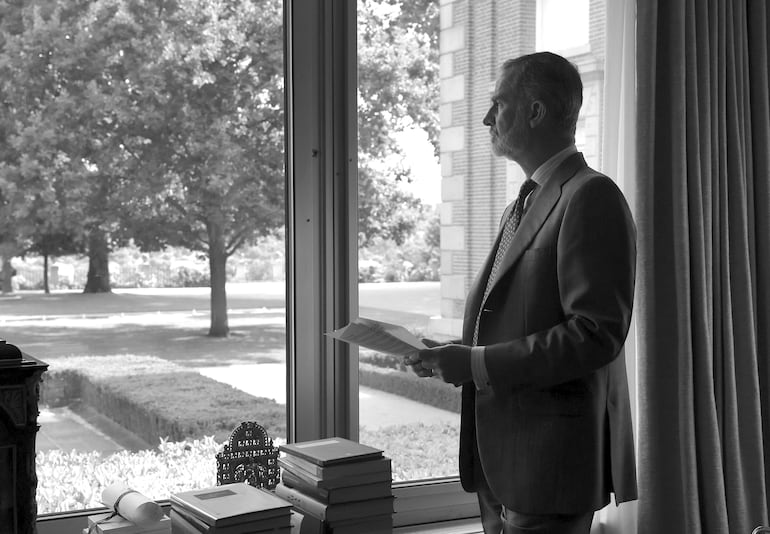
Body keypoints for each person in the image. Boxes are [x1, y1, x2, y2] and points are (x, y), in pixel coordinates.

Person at [411, 52, 638, 534]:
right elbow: (516, 316)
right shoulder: (525, 203)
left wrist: (475, 363)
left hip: (548, 465)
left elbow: (596, 335)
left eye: (499, 103)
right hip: (500, 462)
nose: (487, 117)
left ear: (535, 111)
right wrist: (456, 354)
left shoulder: (591, 197)